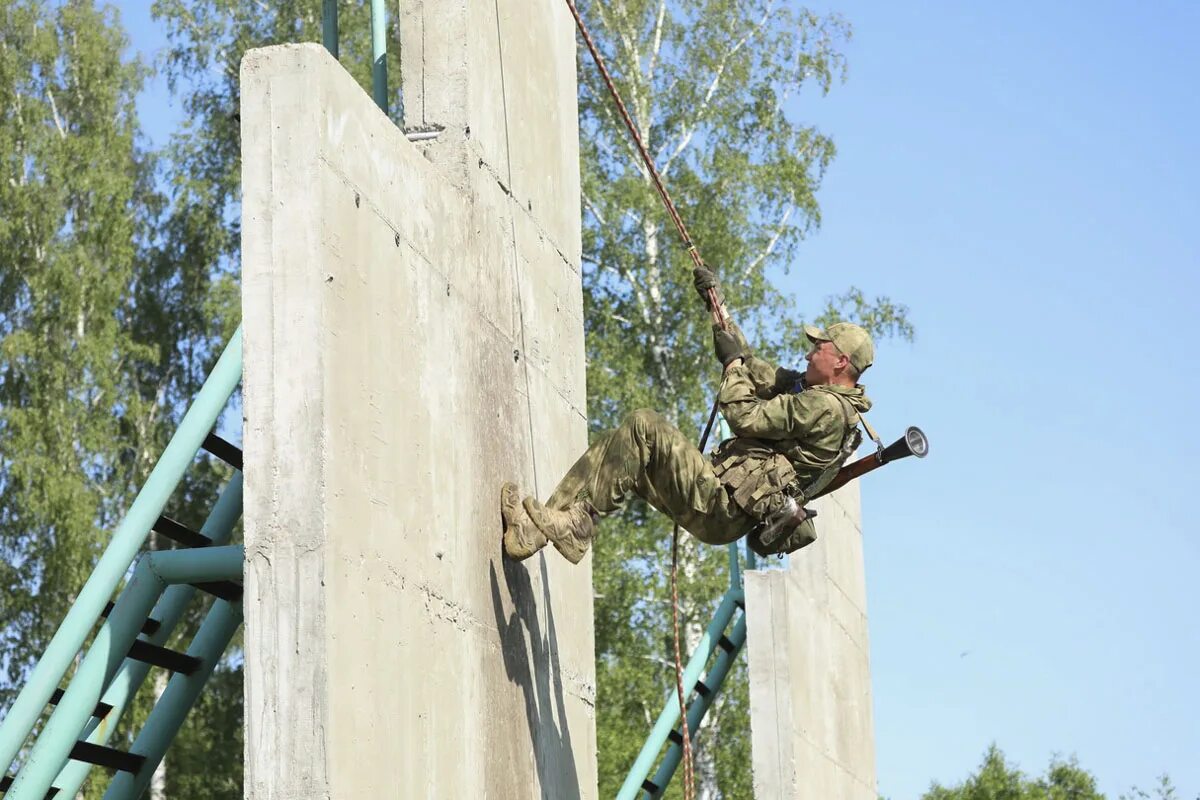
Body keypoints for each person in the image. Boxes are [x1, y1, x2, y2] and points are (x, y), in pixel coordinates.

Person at [500, 267, 875, 564]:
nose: (810, 354)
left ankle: (579, 526)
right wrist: (717, 306)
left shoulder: (825, 408)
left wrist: (731, 366)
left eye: (819, 349)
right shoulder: (813, 394)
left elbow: (744, 416)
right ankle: (533, 533)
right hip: (716, 499)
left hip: (721, 506)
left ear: (841, 361)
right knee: (616, 449)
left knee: (644, 425)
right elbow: (753, 366)